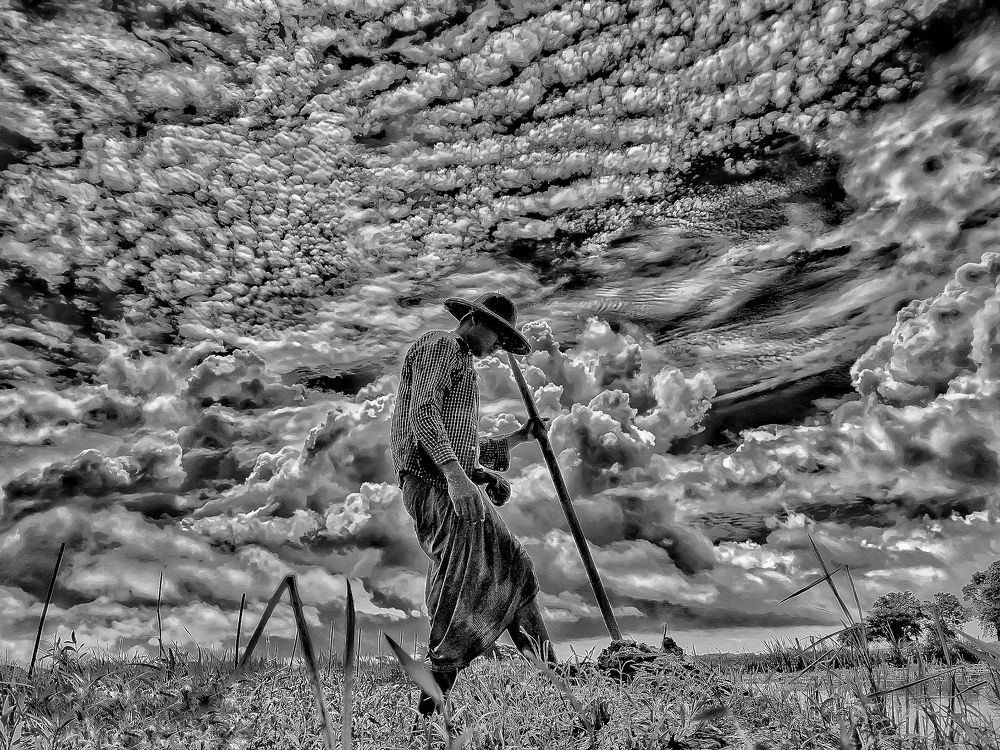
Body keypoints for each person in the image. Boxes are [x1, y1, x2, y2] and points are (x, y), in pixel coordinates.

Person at [390, 291, 556, 716]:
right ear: (474, 320)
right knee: (465, 579)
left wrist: (515, 442)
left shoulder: (463, 363)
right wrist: (455, 475)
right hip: (433, 483)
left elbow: (460, 441)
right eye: (498, 334)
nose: (499, 345)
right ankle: (433, 702)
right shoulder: (442, 345)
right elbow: (423, 413)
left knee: (511, 567)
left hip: (446, 480)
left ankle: (553, 675)